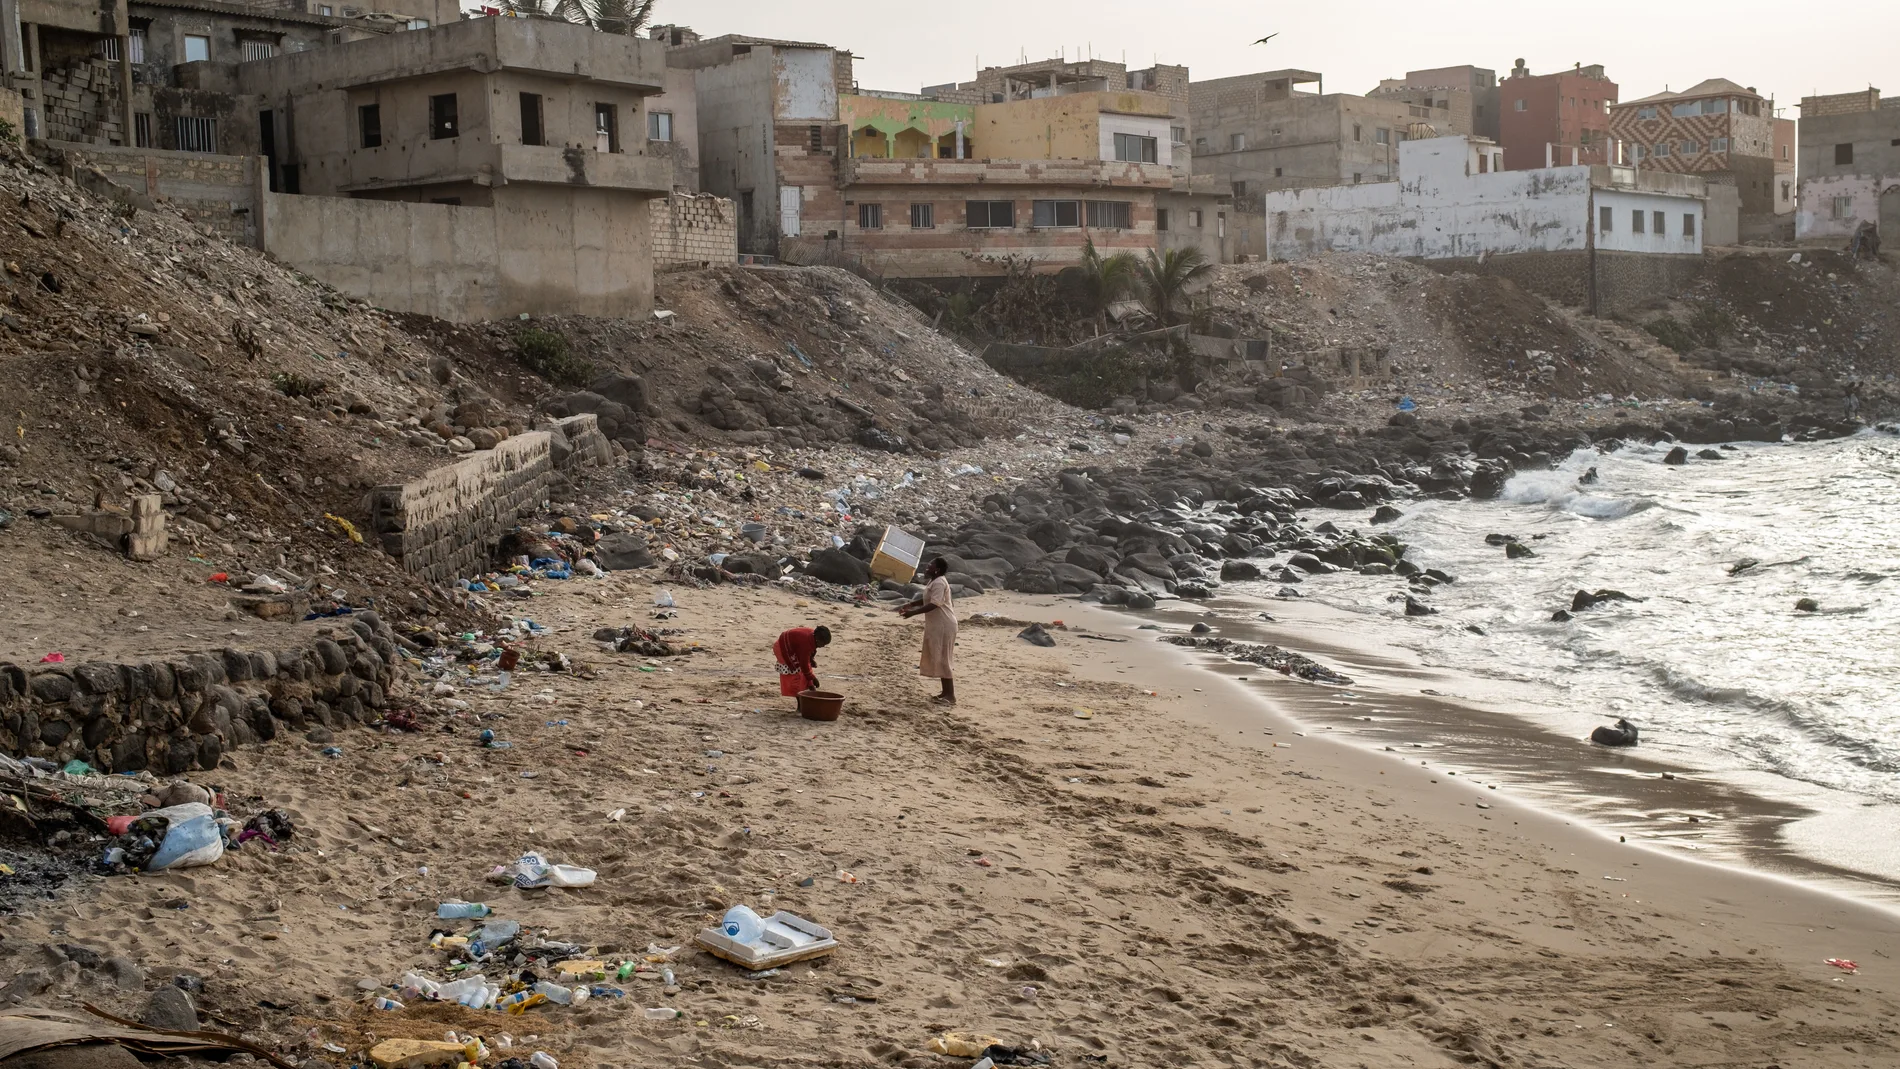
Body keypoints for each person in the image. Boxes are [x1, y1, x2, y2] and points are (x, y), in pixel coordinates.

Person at [899, 557, 958, 704]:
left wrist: (913, 613)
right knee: (939, 656)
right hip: (938, 624)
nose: (927, 568)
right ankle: (944, 692)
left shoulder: (939, 582)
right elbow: (928, 599)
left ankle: (950, 696)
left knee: (944, 658)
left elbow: (935, 604)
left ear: (937, 569)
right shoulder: (934, 581)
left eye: (930, 566)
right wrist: (912, 604)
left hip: (944, 624)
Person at [773, 625, 830, 696]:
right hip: (783, 648)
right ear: (818, 639)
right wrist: (813, 678)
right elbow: (804, 664)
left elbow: (806, 657)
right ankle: (799, 695)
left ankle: (809, 686)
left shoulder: (813, 636)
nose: (823, 646)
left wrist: (811, 660)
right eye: (823, 644)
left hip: (793, 647)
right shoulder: (806, 644)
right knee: (796, 674)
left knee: (805, 669)